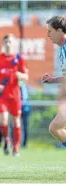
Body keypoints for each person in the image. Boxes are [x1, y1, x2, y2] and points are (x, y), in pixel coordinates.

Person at [0, 33, 29, 156]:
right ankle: (7, 140)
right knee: (3, 119)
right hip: (2, 96)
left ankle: (16, 147)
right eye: (6, 41)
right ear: (3, 43)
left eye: (10, 42)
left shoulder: (19, 58)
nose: (8, 44)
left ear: (14, 43)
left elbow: (26, 76)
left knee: (16, 121)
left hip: (15, 95)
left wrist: (20, 75)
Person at [41, 15, 66, 147]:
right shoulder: (62, 49)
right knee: (55, 128)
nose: (48, 35)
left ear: (59, 30)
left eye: (50, 31)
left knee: (55, 127)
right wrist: (53, 80)